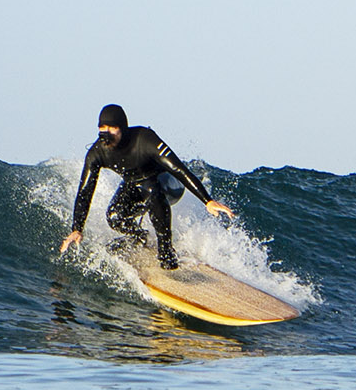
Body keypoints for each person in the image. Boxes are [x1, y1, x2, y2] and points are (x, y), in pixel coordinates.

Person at [59, 104, 232, 270]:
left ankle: (166, 250)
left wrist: (207, 200)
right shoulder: (97, 152)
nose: (106, 133)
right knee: (114, 216)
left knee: (153, 194)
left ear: (123, 128)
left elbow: (178, 169)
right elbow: (85, 191)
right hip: (135, 183)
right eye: (102, 128)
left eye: (112, 128)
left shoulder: (144, 139)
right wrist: (77, 229)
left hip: (167, 182)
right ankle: (140, 236)